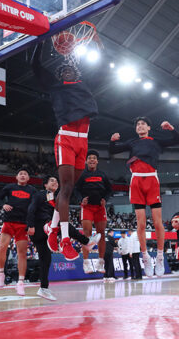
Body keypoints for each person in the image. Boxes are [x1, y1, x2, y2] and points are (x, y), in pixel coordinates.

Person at [32, 41, 98, 261]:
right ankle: (65, 239)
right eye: (62, 70)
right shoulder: (56, 86)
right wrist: (40, 42)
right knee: (67, 188)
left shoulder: (84, 85)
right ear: (59, 75)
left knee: (67, 190)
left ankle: (52, 229)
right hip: (66, 138)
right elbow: (35, 66)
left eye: (69, 68)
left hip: (83, 141)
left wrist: (97, 47)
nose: (66, 70)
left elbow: (101, 72)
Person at [109, 116, 179, 277]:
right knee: (140, 224)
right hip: (136, 182)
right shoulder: (132, 142)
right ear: (136, 129)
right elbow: (113, 150)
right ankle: (145, 256)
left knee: (157, 222)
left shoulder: (155, 140)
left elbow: (177, 139)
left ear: (148, 127)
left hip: (151, 179)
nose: (140, 126)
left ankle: (160, 256)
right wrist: (112, 141)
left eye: (143, 124)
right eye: (138, 124)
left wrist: (171, 128)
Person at [27, 175, 100, 300]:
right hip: (39, 228)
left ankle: (43, 288)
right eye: (51, 180)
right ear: (45, 185)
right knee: (62, 225)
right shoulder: (40, 195)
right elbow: (31, 208)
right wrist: (30, 225)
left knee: (46, 260)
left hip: (47, 233)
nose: (55, 182)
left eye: (56, 180)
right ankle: (86, 241)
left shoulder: (57, 198)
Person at [0, 168, 36, 295]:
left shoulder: (32, 190)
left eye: (25, 174)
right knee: (2, 247)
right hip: (9, 221)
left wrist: (32, 225)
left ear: (28, 178)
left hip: (23, 224)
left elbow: (34, 208)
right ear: (16, 177)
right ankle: (1, 273)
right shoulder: (9, 187)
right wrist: (3, 205)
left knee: (22, 253)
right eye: (20, 174)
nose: (23, 175)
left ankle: (21, 282)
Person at [75, 150, 113, 274]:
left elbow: (109, 190)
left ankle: (100, 262)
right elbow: (76, 189)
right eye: (89, 158)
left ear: (97, 161)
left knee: (101, 234)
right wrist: (81, 199)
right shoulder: (82, 175)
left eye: (94, 158)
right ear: (86, 161)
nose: (92, 160)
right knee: (87, 233)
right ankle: (86, 263)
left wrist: (105, 200)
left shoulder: (103, 175)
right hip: (87, 208)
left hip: (100, 208)